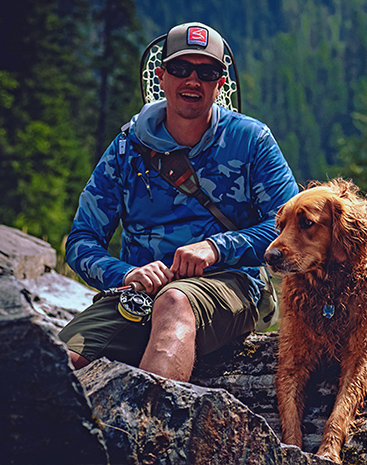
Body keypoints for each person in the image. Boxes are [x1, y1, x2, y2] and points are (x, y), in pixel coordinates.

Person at [58, 22, 298, 382]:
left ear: (221, 83)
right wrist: (125, 273)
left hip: (230, 284)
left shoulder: (251, 141)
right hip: (138, 293)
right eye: (181, 69)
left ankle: (151, 432)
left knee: (175, 302)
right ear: (162, 75)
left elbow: (289, 231)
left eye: (207, 72)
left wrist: (216, 248)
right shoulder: (126, 148)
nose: (192, 80)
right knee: (59, 359)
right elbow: (81, 241)